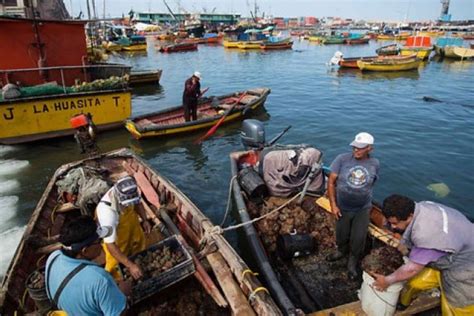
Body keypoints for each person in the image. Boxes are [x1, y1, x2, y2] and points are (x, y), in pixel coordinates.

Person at [373, 194, 474, 315]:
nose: (393, 227)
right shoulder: (422, 206)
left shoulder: (425, 235)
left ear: (410, 216)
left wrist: (387, 281)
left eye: (395, 223)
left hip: (464, 266)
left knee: (456, 306)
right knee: (414, 284)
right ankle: (403, 304)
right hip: (448, 253)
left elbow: (411, 269)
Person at [45, 216, 127, 315]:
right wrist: (124, 291)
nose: (102, 245)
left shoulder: (53, 257)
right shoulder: (100, 280)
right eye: (99, 242)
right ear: (85, 250)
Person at [326, 132, 380, 280]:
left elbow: (372, 183)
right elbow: (331, 182)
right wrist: (333, 205)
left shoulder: (375, 163)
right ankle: (341, 251)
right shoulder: (341, 159)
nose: (356, 150)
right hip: (343, 206)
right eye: (355, 147)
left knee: (358, 238)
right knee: (341, 234)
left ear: (370, 149)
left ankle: (352, 262)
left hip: (363, 208)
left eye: (361, 148)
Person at [96, 176, 151, 280]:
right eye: (127, 204)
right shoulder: (106, 213)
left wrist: (145, 220)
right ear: (119, 198)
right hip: (116, 236)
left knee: (138, 245)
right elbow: (110, 245)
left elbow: (138, 203)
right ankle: (117, 281)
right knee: (114, 263)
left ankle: (138, 264)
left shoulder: (130, 191)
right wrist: (130, 265)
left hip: (131, 223)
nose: (129, 205)